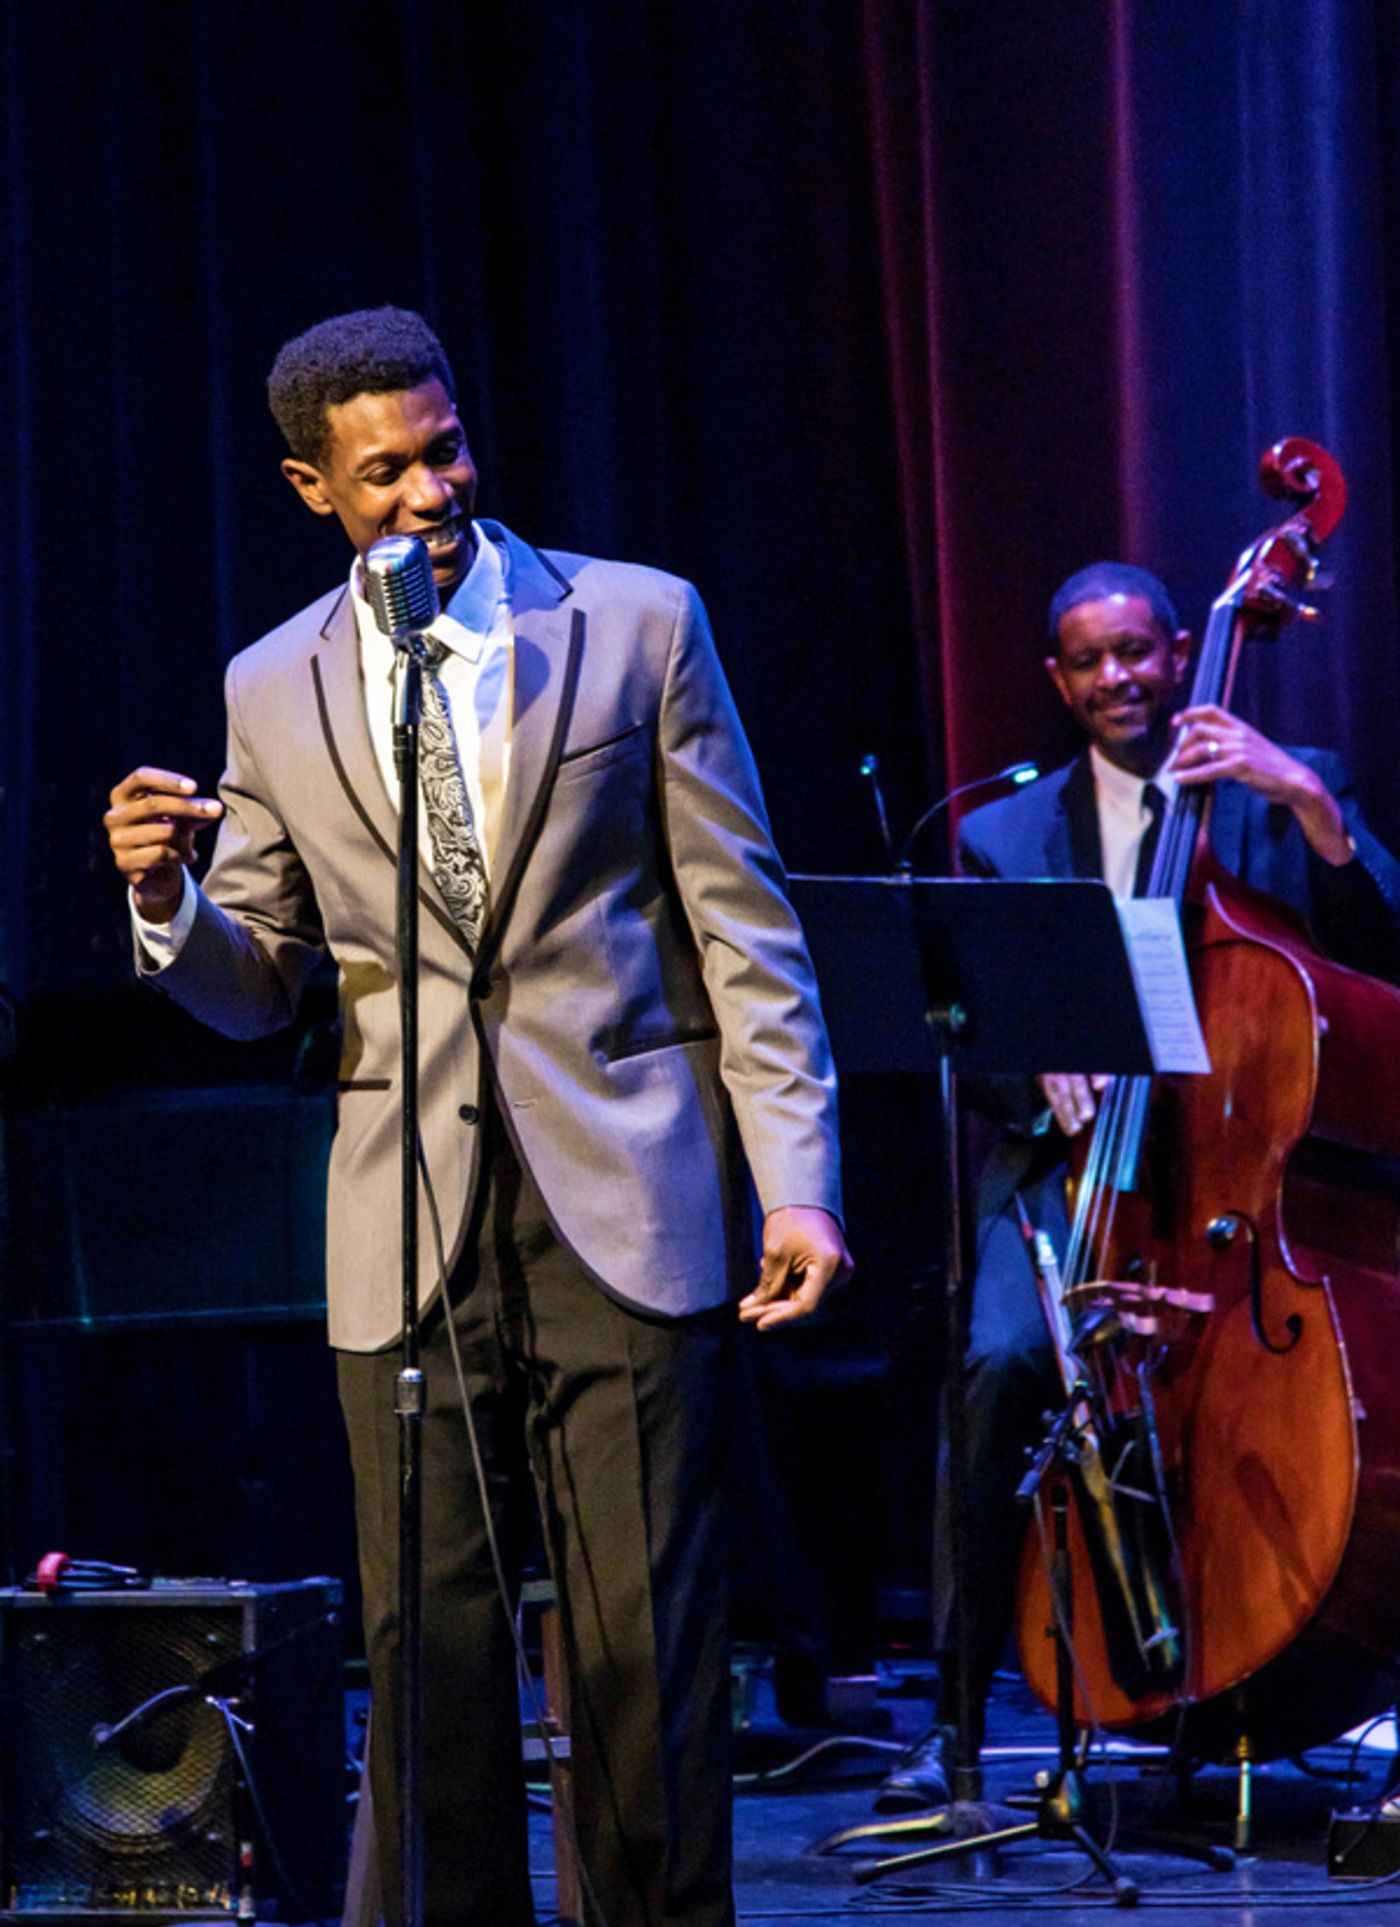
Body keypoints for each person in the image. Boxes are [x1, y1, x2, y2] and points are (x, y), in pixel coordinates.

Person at [104, 305, 850, 1926]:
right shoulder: (273, 684)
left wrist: (800, 1185)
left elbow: (746, 924)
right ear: (314, 486)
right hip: (408, 1217)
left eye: (446, 447)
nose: (434, 487)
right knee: (426, 1649)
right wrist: (167, 905)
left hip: (626, 1191)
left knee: (644, 1639)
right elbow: (265, 980)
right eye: (389, 470)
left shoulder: (637, 624)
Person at [877, 559, 1400, 1810]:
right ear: (1057, 680)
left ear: (1178, 652)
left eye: (1136, 652)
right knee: (1001, 1358)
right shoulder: (998, 833)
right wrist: (1031, 1068)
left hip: (1241, 1173)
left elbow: (1380, 950)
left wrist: (1310, 802)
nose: (1117, 677)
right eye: (1088, 660)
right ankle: (950, 1724)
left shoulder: (1282, 786)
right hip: (1072, 1174)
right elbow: (974, 1027)